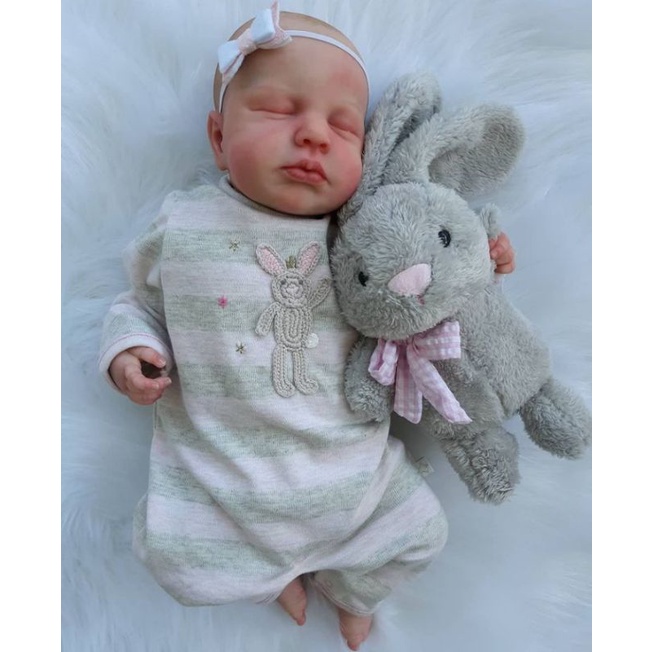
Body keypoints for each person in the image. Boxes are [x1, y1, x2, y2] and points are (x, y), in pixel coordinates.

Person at [99, 3, 516, 649]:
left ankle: (348, 588)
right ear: (218, 138)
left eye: (343, 126)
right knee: (175, 565)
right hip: (221, 481)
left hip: (353, 481)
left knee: (423, 536)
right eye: (278, 110)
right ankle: (271, 576)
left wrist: (479, 261)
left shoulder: (362, 239)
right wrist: (130, 350)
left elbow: (428, 283)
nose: (315, 135)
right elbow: (138, 305)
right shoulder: (182, 226)